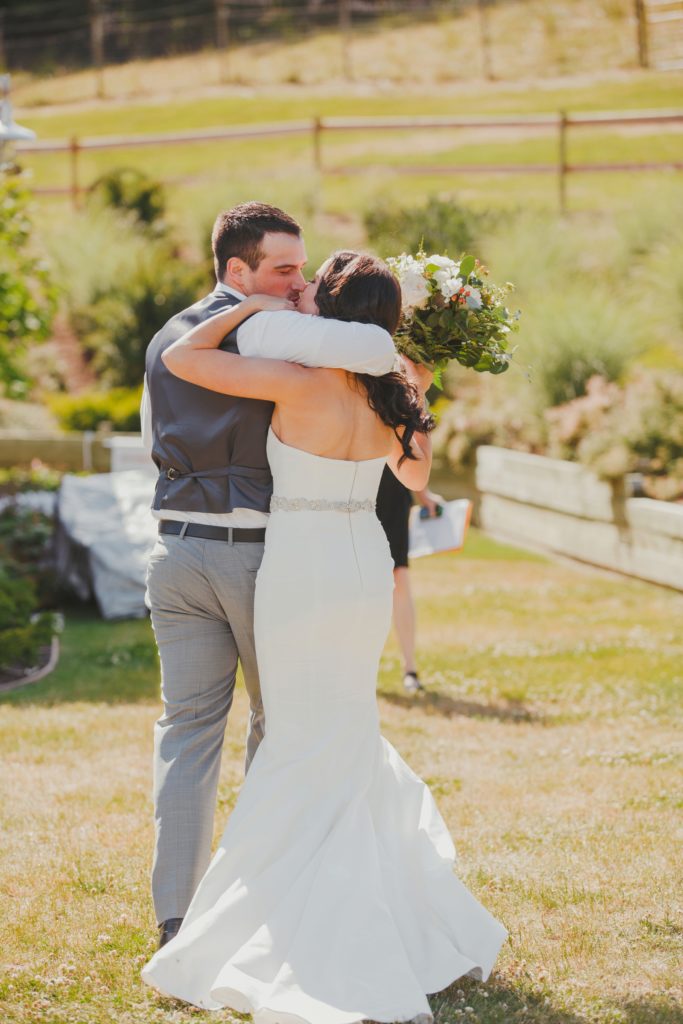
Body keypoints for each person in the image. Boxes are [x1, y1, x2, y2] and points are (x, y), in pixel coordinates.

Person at [142, 250, 507, 1024]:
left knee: (302, 737)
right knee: (342, 726)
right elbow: (411, 481)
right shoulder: (395, 389)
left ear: (331, 315)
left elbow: (184, 357)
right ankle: (374, 901)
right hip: (364, 565)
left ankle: (286, 918)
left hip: (301, 565)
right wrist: (417, 385)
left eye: (310, 291)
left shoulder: (298, 379)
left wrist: (246, 306)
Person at [142, 203, 397, 950]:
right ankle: (255, 909)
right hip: (254, 556)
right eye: (284, 269)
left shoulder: (171, 332)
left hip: (175, 552)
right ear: (237, 271)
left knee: (185, 735)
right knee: (276, 730)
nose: (296, 284)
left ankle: (176, 919)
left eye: (301, 269)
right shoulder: (273, 336)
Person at [376, 468, 444, 692]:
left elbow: (407, 438)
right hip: (355, 488)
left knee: (399, 576)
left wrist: (423, 492)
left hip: (393, 491)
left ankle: (410, 669)